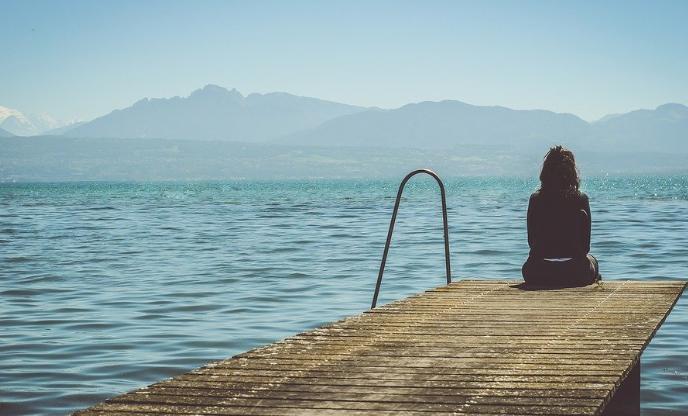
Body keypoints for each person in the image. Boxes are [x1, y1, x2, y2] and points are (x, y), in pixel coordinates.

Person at [522, 145, 601, 287]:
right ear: (572, 173)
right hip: (575, 271)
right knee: (593, 260)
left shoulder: (535, 199)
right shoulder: (581, 199)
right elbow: (585, 247)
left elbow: (531, 242)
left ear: (545, 172)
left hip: (539, 271)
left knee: (527, 266)